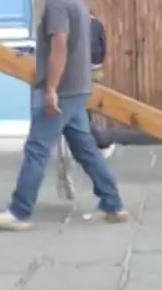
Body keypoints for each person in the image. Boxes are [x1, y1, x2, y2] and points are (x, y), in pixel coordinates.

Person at [0, 0, 127, 230]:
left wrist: (50, 88)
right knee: (86, 149)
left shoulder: (57, 4)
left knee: (37, 149)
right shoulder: (77, 3)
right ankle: (113, 203)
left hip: (63, 90)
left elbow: (59, 45)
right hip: (78, 88)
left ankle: (19, 211)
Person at [56, 10, 115, 201]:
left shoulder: (78, 26)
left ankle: (101, 141)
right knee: (86, 111)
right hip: (94, 71)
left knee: (81, 116)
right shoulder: (97, 24)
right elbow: (102, 47)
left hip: (81, 73)